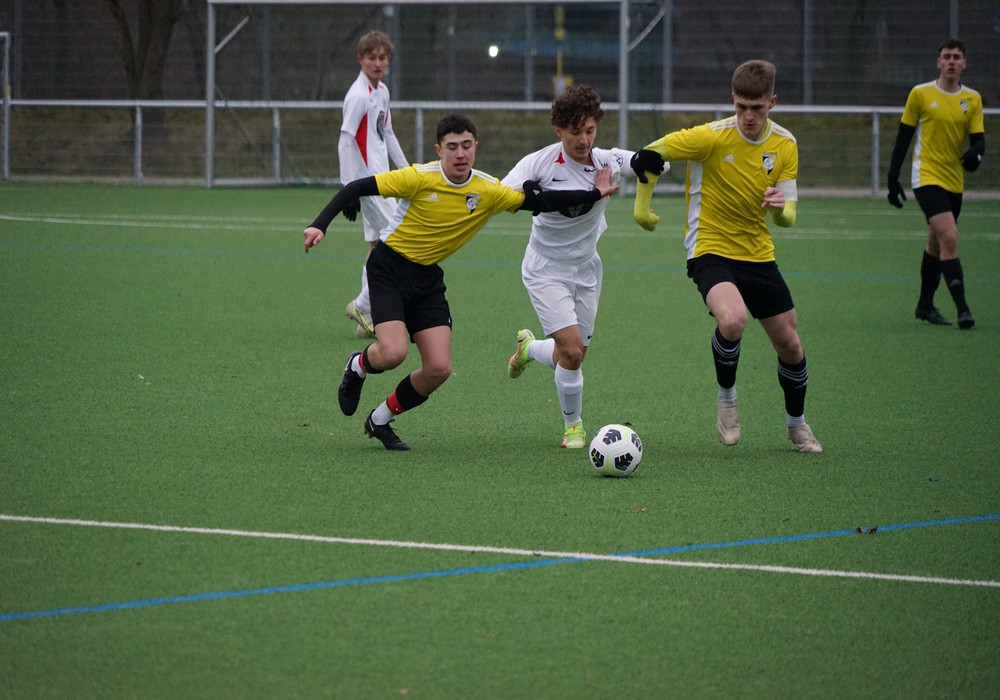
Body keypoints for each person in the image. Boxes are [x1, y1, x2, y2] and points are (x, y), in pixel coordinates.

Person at [303, 114, 619, 450]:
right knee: (393, 353)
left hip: (427, 277)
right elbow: (358, 187)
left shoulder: (487, 189)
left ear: (475, 147)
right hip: (388, 269)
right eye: (452, 147)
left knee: (438, 369)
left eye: (466, 146)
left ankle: (379, 419)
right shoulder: (418, 177)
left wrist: (592, 193)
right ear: (439, 150)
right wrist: (320, 224)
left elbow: (540, 202)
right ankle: (358, 365)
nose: (460, 154)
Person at [630, 59, 822, 453]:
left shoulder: (785, 144)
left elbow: (788, 216)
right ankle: (727, 400)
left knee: (790, 345)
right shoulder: (710, 137)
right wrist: (641, 210)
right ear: (732, 99)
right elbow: (648, 155)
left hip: (758, 253)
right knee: (733, 320)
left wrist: (779, 208)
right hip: (709, 247)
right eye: (741, 107)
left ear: (772, 102)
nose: (748, 116)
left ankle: (797, 425)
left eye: (757, 108)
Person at [501, 85, 646, 449]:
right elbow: (503, 195)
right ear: (559, 130)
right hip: (545, 269)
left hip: (587, 269)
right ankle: (573, 428)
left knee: (571, 355)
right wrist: (532, 195)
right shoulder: (538, 163)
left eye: (590, 130)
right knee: (572, 351)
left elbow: (643, 160)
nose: (584, 140)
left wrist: (652, 162)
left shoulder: (606, 161)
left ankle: (528, 349)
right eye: (575, 132)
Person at [886, 38, 984, 330]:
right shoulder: (920, 93)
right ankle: (963, 310)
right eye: (947, 56)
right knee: (950, 237)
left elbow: (979, 140)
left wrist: (976, 154)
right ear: (938, 62)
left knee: (936, 241)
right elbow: (904, 136)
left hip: (954, 180)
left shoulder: (972, 99)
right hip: (926, 176)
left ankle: (925, 306)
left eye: (957, 57)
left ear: (964, 64)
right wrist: (892, 178)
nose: (951, 61)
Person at [339, 30, 410, 338]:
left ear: (388, 60)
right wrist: (348, 189)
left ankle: (366, 312)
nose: (377, 63)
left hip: (385, 180)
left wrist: (408, 172)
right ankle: (363, 304)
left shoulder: (381, 91)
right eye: (371, 58)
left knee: (377, 245)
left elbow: (387, 134)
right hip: (368, 184)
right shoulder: (358, 96)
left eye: (382, 58)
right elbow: (345, 140)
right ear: (361, 60)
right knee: (397, 239)